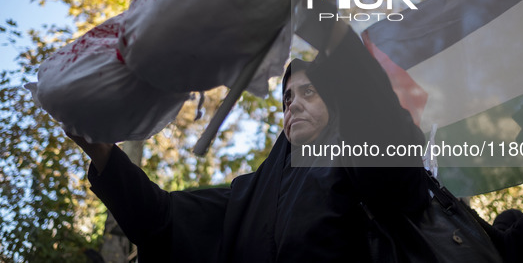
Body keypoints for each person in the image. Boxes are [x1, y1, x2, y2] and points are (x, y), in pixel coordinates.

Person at [69, 17, 429, 262]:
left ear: (337, 104)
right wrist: (99, 150)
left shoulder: (365, 155)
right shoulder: (251, 197)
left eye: (309, 92)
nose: (294, 104)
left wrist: (328, 26)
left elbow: (377, 120)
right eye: (287, 98)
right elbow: (162, 220)